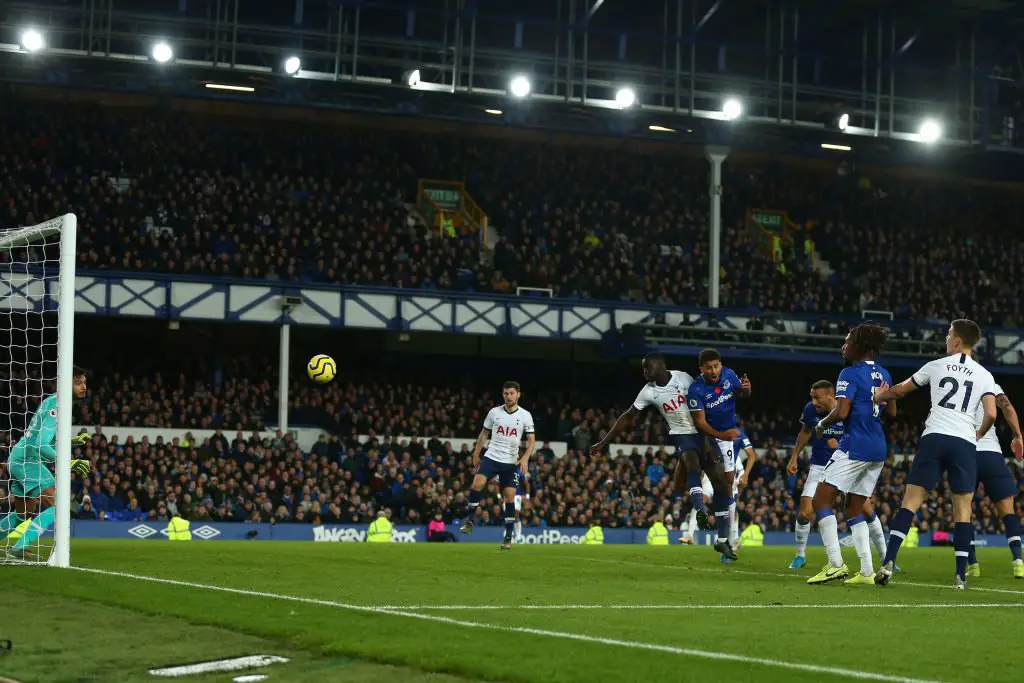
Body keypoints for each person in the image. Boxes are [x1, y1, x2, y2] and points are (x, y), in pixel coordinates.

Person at [873, 319, 997, 589]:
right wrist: (979, 433)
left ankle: (888, 563)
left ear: (956, 342)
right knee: (963, 509)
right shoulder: (984, 375)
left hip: (934, 437)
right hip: (964, 441)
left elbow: (901, 391)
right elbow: (991, 413)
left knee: (911, 501)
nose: (945, 338)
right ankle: (960, 576)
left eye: (948, 334)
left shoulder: (936, 365)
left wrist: (879, 397)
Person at [590, 353, 720, 535]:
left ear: (660, 365)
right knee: (692, 465)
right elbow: (628, 416)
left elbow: (705, 405)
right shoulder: (648, 392)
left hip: (701, 430)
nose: (644, 372)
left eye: (647, 367)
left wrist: (709, 438)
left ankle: (726, 528)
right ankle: (700, 511)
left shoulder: (683, 378)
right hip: (681, 434)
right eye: (643, 368)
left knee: (720, 479)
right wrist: (603, 442)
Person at [806, 323, 894, 586]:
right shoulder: (883, 373)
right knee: (855, 506)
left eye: (847, 342)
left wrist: (821, 425)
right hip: (878, 447)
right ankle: (866, 571)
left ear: (860, 346)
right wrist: (880, 399)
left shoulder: (849, 372)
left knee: (820, 501)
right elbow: (893, 413)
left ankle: (835, 564)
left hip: (855, 445)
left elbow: (842, 412)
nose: (844, 347)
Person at [788, 381, 895, 572]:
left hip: (848, 464)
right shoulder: (811, 410)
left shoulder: (848, 408)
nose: (813, 402)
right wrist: (794, 456)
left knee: (865, 510)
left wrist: (840, 445)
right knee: (805, 513)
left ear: (831, 396)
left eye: (817, 397)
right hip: (820, 466)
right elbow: (805, 432)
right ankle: (800, 555)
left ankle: (886, 558)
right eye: (812, 397)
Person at [2, 367, 91, 561]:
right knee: (58, 504)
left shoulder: (53, 402)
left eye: (84, 382)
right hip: (29, 460)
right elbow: (42, 445)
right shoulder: (56, 406)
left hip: (19, 457)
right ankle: (18, 548)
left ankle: (17, 547)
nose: (84, 387)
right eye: (78, 382)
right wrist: (70, 462)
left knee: (22, 514)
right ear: (65, 383)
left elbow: (46, 440)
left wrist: (74, 441)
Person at [687, 348, 751, 561]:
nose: (713, 370)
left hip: (727, 438)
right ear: (701, 369)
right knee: (720, 486)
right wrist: (721, 435)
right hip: (708, 439)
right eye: (708, 367)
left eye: (716, 366)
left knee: (728, 488)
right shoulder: (696, 390)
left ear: (721, 364)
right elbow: (700, 422)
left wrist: (746, 390)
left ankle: (725, 540)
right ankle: (724, 538)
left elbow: (742, 394)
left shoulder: (729, 374)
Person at [460, 381, 536, 550]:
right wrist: (476, 452)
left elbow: (531, 440)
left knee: (509, 497)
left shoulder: (525, 415)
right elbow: (484, 433)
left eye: (511, 393)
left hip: (510, 462)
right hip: (492, 456)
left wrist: (524, 458)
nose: (508, 396)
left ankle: (508, 538)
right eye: (505, 394)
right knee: (477, 483)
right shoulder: (494, 412)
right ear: (503, 395)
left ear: (518, 395)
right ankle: (470, 520)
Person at [967, 381, 1024, 579]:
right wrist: (1018, 435)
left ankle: (972, 564)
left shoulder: (948, 378)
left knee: (963, 510)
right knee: (1008, 510)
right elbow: (1006, 405)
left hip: (967, 452)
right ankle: (1018, 561)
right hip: (992, 454)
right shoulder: (987, 380)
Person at [513, 469, 531, 540]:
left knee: (516, 514)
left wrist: (527, 496)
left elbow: (527, 483)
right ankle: (509, 534)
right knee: (509, 515)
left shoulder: (519, 471)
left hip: (517, 495)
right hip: (508, 495)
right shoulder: (505, 469)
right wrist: (499, 496)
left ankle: (518, 537)